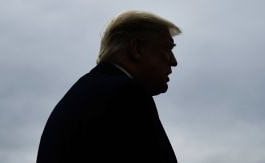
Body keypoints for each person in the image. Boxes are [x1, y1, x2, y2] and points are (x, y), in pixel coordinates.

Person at [36, 10, 182, 163]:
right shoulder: (127, 95)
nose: (174, 61)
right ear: (136, 49)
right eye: (168, 49)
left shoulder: (80, 96)